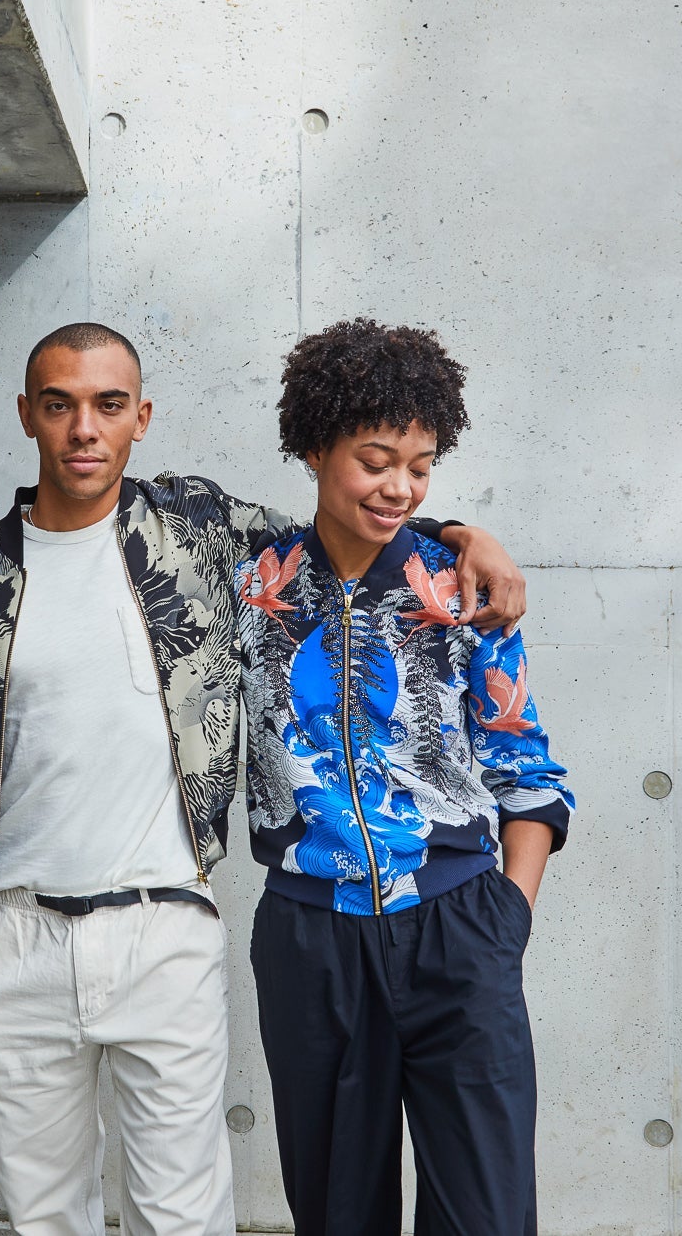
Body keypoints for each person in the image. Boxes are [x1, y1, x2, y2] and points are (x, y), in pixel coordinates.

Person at [0, 322, 530, 1236]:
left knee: (184, 1214)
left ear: (140, 417)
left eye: (109, 404)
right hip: (12, 935)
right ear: (28, 416)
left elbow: (348, 528)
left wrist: (464, 534)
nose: (85, 427)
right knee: (45, 1215)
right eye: (61, 404)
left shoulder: (196, 534)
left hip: (165, 925)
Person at [235, 317, 572, 1236]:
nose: (400, 486)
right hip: (311, 940)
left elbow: (525, 766)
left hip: (458, 928)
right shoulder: (249, 586)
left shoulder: (461, 587)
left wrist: (510, 915)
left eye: (420, 465)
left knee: (487, 1217)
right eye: (376, 459)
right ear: (314, 447)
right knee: (339, 1215)